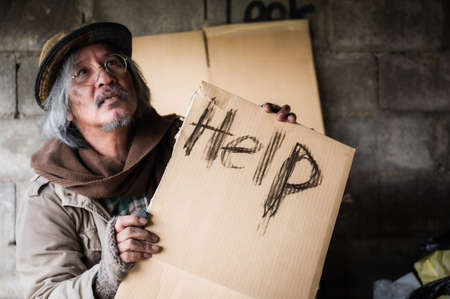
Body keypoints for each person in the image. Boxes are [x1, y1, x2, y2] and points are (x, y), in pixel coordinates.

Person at [16, 22, 297, 299]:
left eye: (113, 63)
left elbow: (252, 212)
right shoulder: (50, 196)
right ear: (65, 108)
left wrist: (269, 140)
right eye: (81, 72)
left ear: (134, 83)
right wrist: (106, 275)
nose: (105, 78)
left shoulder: (191, 139)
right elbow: (45, 294)